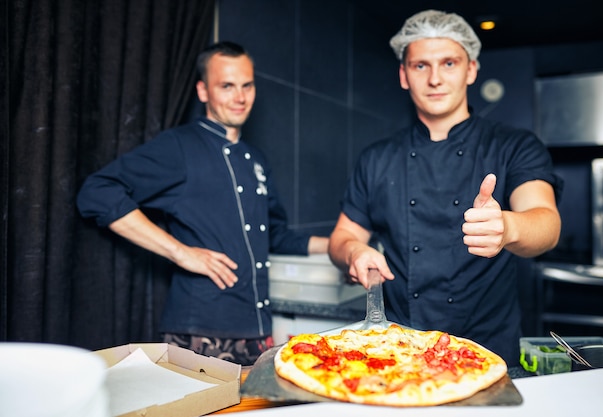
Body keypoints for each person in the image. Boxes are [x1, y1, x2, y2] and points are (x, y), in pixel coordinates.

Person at [328, 10, 562, 366]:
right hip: (400, 351)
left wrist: (509, 227)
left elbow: (547, 223)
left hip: (487, 351)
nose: (435, 78)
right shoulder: (377, 158)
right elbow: (341, 238)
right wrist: (354, 252)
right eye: (421, 66)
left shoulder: (514, 145)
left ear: (471, 69)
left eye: (449, 63)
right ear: (404, 75)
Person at [77, 41, 329, 366]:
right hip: (200, 332)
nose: (240, 97)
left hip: (257, 328)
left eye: (247, 85)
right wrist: (180, 252)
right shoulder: (179, 146)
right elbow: (97, 192)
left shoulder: (256, 160)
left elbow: (276, 235)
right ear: (203, 91)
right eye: (227, 86)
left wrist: (341, 245)